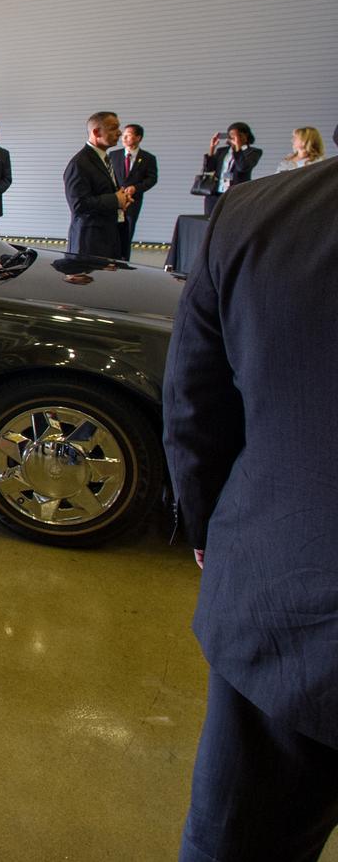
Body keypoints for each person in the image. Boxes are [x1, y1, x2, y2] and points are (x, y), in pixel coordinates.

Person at [164, 156, 338, 862]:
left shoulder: (256, 214)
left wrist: (209, 527)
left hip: (281, 605)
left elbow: (195, 405)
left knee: (238, 840)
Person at [63, 111, 133, 259]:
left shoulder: (105, 158)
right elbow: (78, 205)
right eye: (113, 128)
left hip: (109, 236)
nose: (119, 133)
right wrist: (115, 200)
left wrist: (122, 199)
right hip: (90, 242)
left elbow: (101, 191)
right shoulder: (79, 163)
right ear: (96, 132)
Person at [108, 123, 158, 260]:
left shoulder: (148, 158)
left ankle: (124, 260)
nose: (124, 138)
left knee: (128, 231)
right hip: (115, 200)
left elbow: (152, 179)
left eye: (128, 135)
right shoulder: (114, 155)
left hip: (133, 201)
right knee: (112, 230)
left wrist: (136, 188)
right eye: (123, 135)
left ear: (138, 138)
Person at [201, 122, 261, 216]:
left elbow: (242, 167)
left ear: (245, 135)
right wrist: (212, 148)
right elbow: (208, 169)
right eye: (231, 135)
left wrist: (238, 148)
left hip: (237, 195)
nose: (233, 138)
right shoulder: (222, 151)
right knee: (211, 223)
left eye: (237, 135)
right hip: (215, 194)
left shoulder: (253, 152)